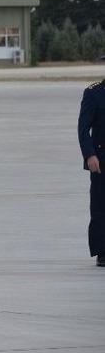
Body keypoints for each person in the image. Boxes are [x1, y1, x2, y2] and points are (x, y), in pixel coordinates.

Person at [77, 79, 105, 267]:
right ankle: (102, 251)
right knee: (100, 205)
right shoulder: (94, 93)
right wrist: (89, 155)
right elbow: (83, 128)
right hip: (101, 160)